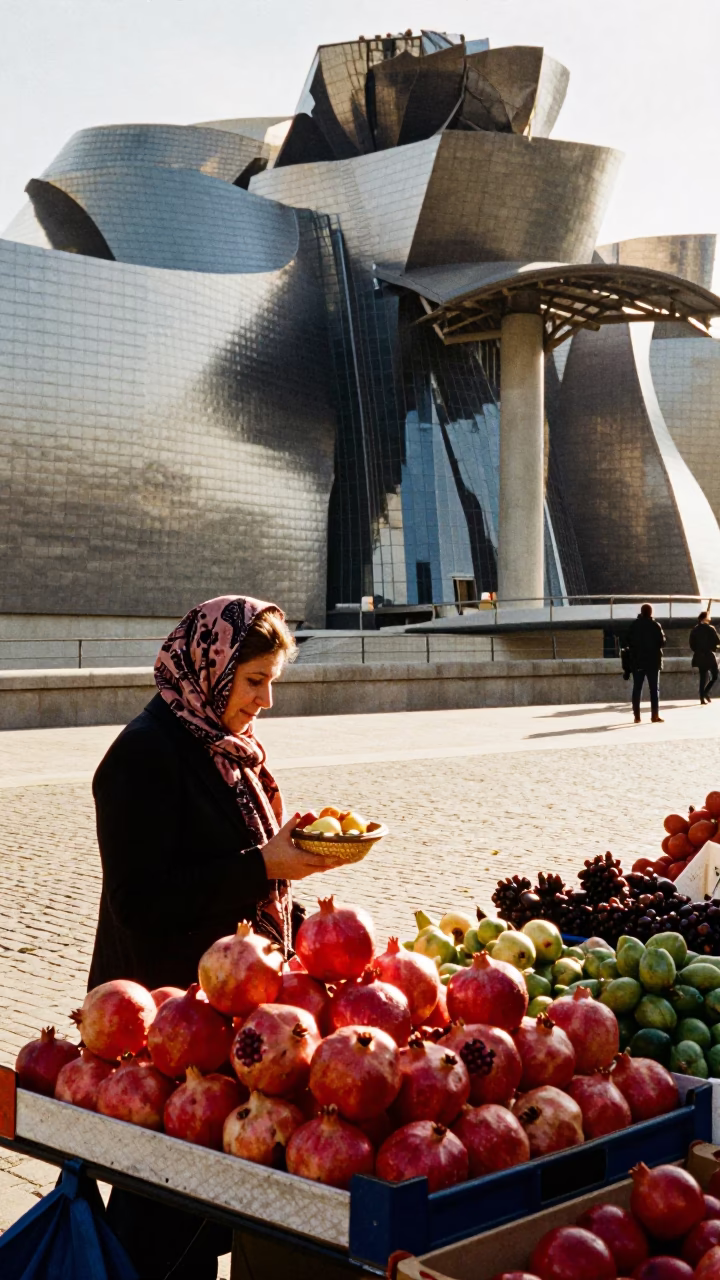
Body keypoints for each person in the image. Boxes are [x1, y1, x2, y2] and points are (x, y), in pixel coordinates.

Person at [88, 594, 344, 1280]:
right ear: (211, 668)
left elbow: (244, 866)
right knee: (163, 1222)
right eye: (254, 682)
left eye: (270, 684)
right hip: (165, 1028)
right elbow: (141, 904)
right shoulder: (142, 757)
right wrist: (265, 864)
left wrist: (291, 875)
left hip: (226, 1015)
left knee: (198, 1211)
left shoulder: (228, 752)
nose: (264, 702)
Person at [627, 602, 666, 723]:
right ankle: (655, 715)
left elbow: (627, 641)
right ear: (650, 612)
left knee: (637, 688)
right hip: (653, 662)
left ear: (641, 612)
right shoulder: (655, 625)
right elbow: (662, 642)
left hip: (638, 661)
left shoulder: (634, 625)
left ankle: (637, 716)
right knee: (654, 689)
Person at [689, 609, 720, 704]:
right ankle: (705, 692)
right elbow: (717, 641)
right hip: (709, 655)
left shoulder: (695, 629)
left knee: (703, 677)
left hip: (699, 656)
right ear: (705, 618)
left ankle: (702, 697)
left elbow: (692, 644)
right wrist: (714, 648)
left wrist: (697, 651)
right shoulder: (710, 628)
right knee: (714, 675)